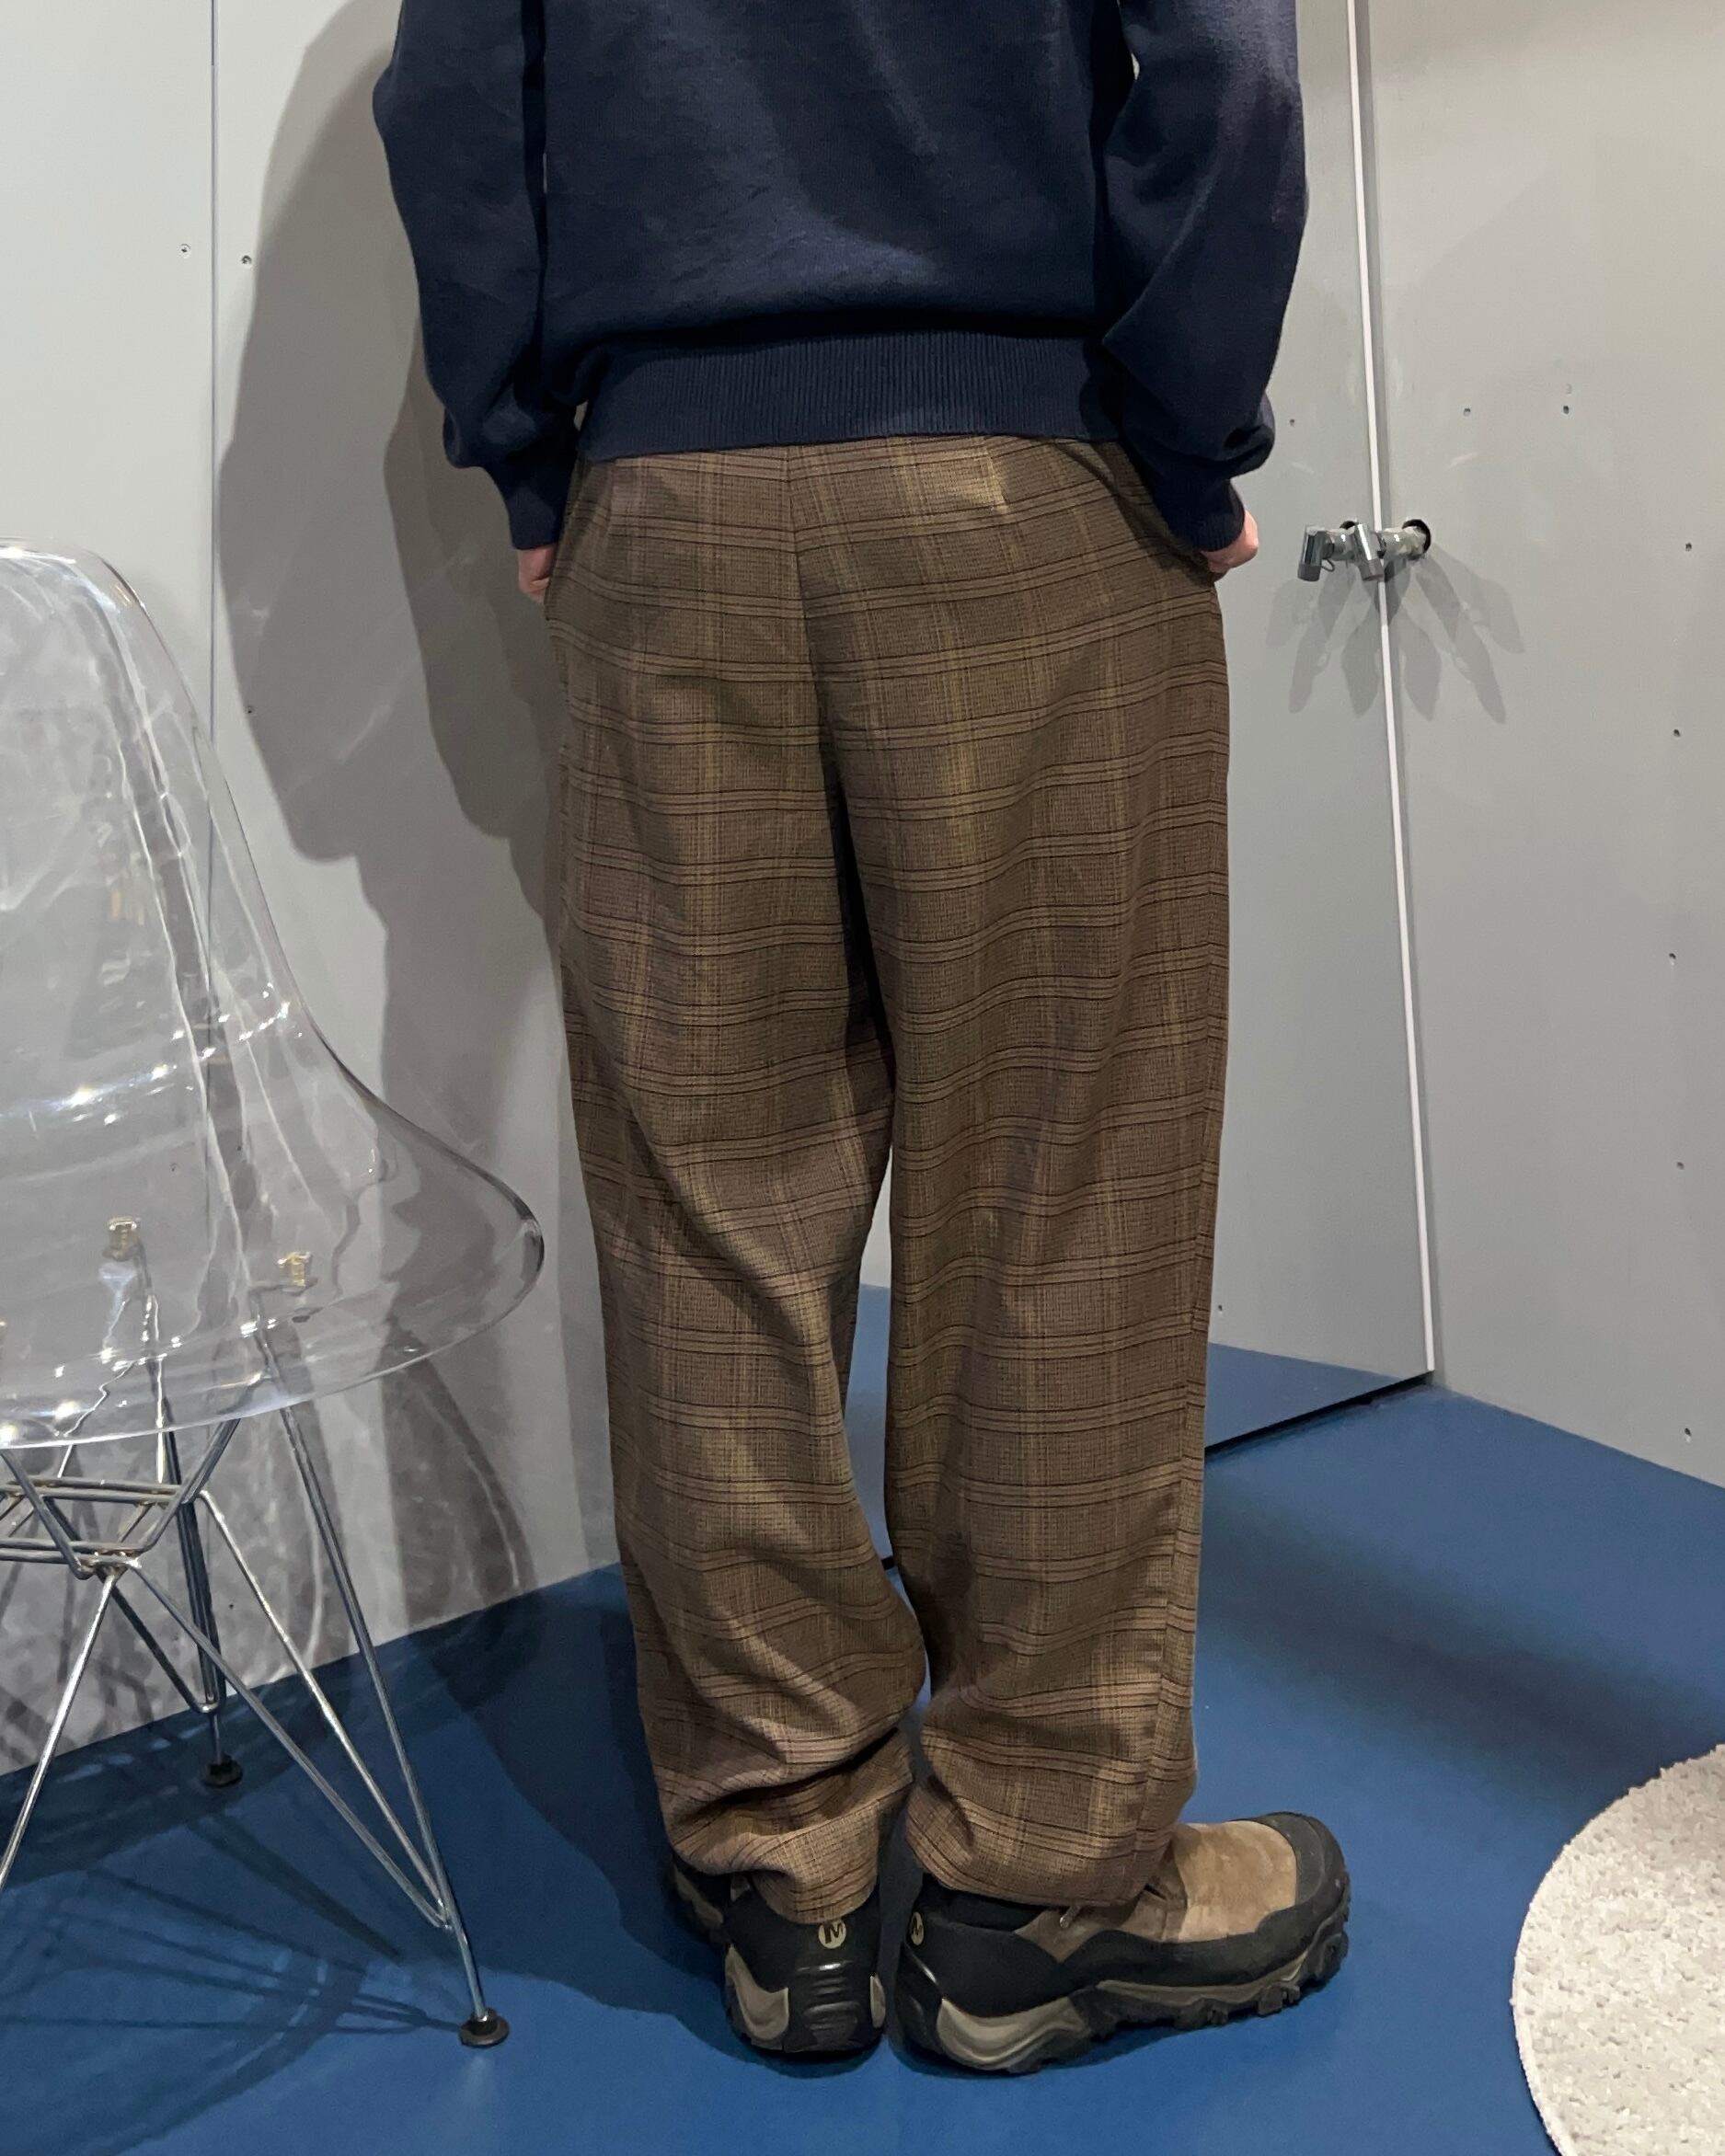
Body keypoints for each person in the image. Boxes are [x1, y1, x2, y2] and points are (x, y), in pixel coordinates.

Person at [375, 0, 1348, 2073]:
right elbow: (1227, 72)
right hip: (1026, 481)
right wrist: (1184, 425)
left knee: (707, 1208)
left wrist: (537, 447)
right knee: (1061, 1204)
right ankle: (1035, 1893)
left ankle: (785, 1864)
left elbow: (454, 96)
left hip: (667, 513)